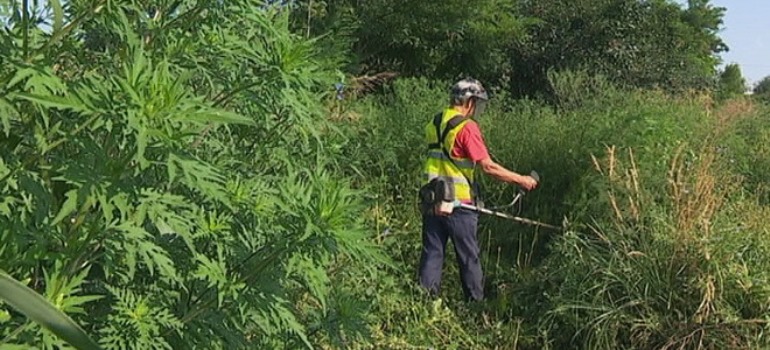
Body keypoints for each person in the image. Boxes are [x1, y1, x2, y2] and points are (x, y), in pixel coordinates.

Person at [418, 78, 538, 302]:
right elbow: (488, 167)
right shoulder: (466, 127)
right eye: (478, 103)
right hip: (459, 205)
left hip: (433, 201)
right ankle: (475, 308)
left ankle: (423, 306)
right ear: (469, 101)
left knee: (432, 255)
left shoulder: (435, 123)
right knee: (469, 258)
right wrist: (521, 179)